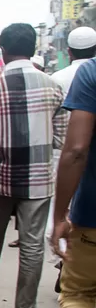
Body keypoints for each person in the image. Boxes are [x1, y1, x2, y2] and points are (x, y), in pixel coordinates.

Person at [0, 23, 67, 308]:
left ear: (3, 50)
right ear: (34, 48)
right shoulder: (53, 87)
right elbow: (62, 138)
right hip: (38, 179)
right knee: (32, 245)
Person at [51, 57, 96, 308]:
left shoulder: (92, 72)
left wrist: (60, 215)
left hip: (92, 218)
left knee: (78, 296)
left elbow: (76, 148)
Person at [47, 27, 96, 255]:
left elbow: (76, 148)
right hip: (76, 156)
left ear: (68, 52)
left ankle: (63, 254)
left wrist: (59, 216)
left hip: (67, 155)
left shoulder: (58, 78)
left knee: (79, 288)